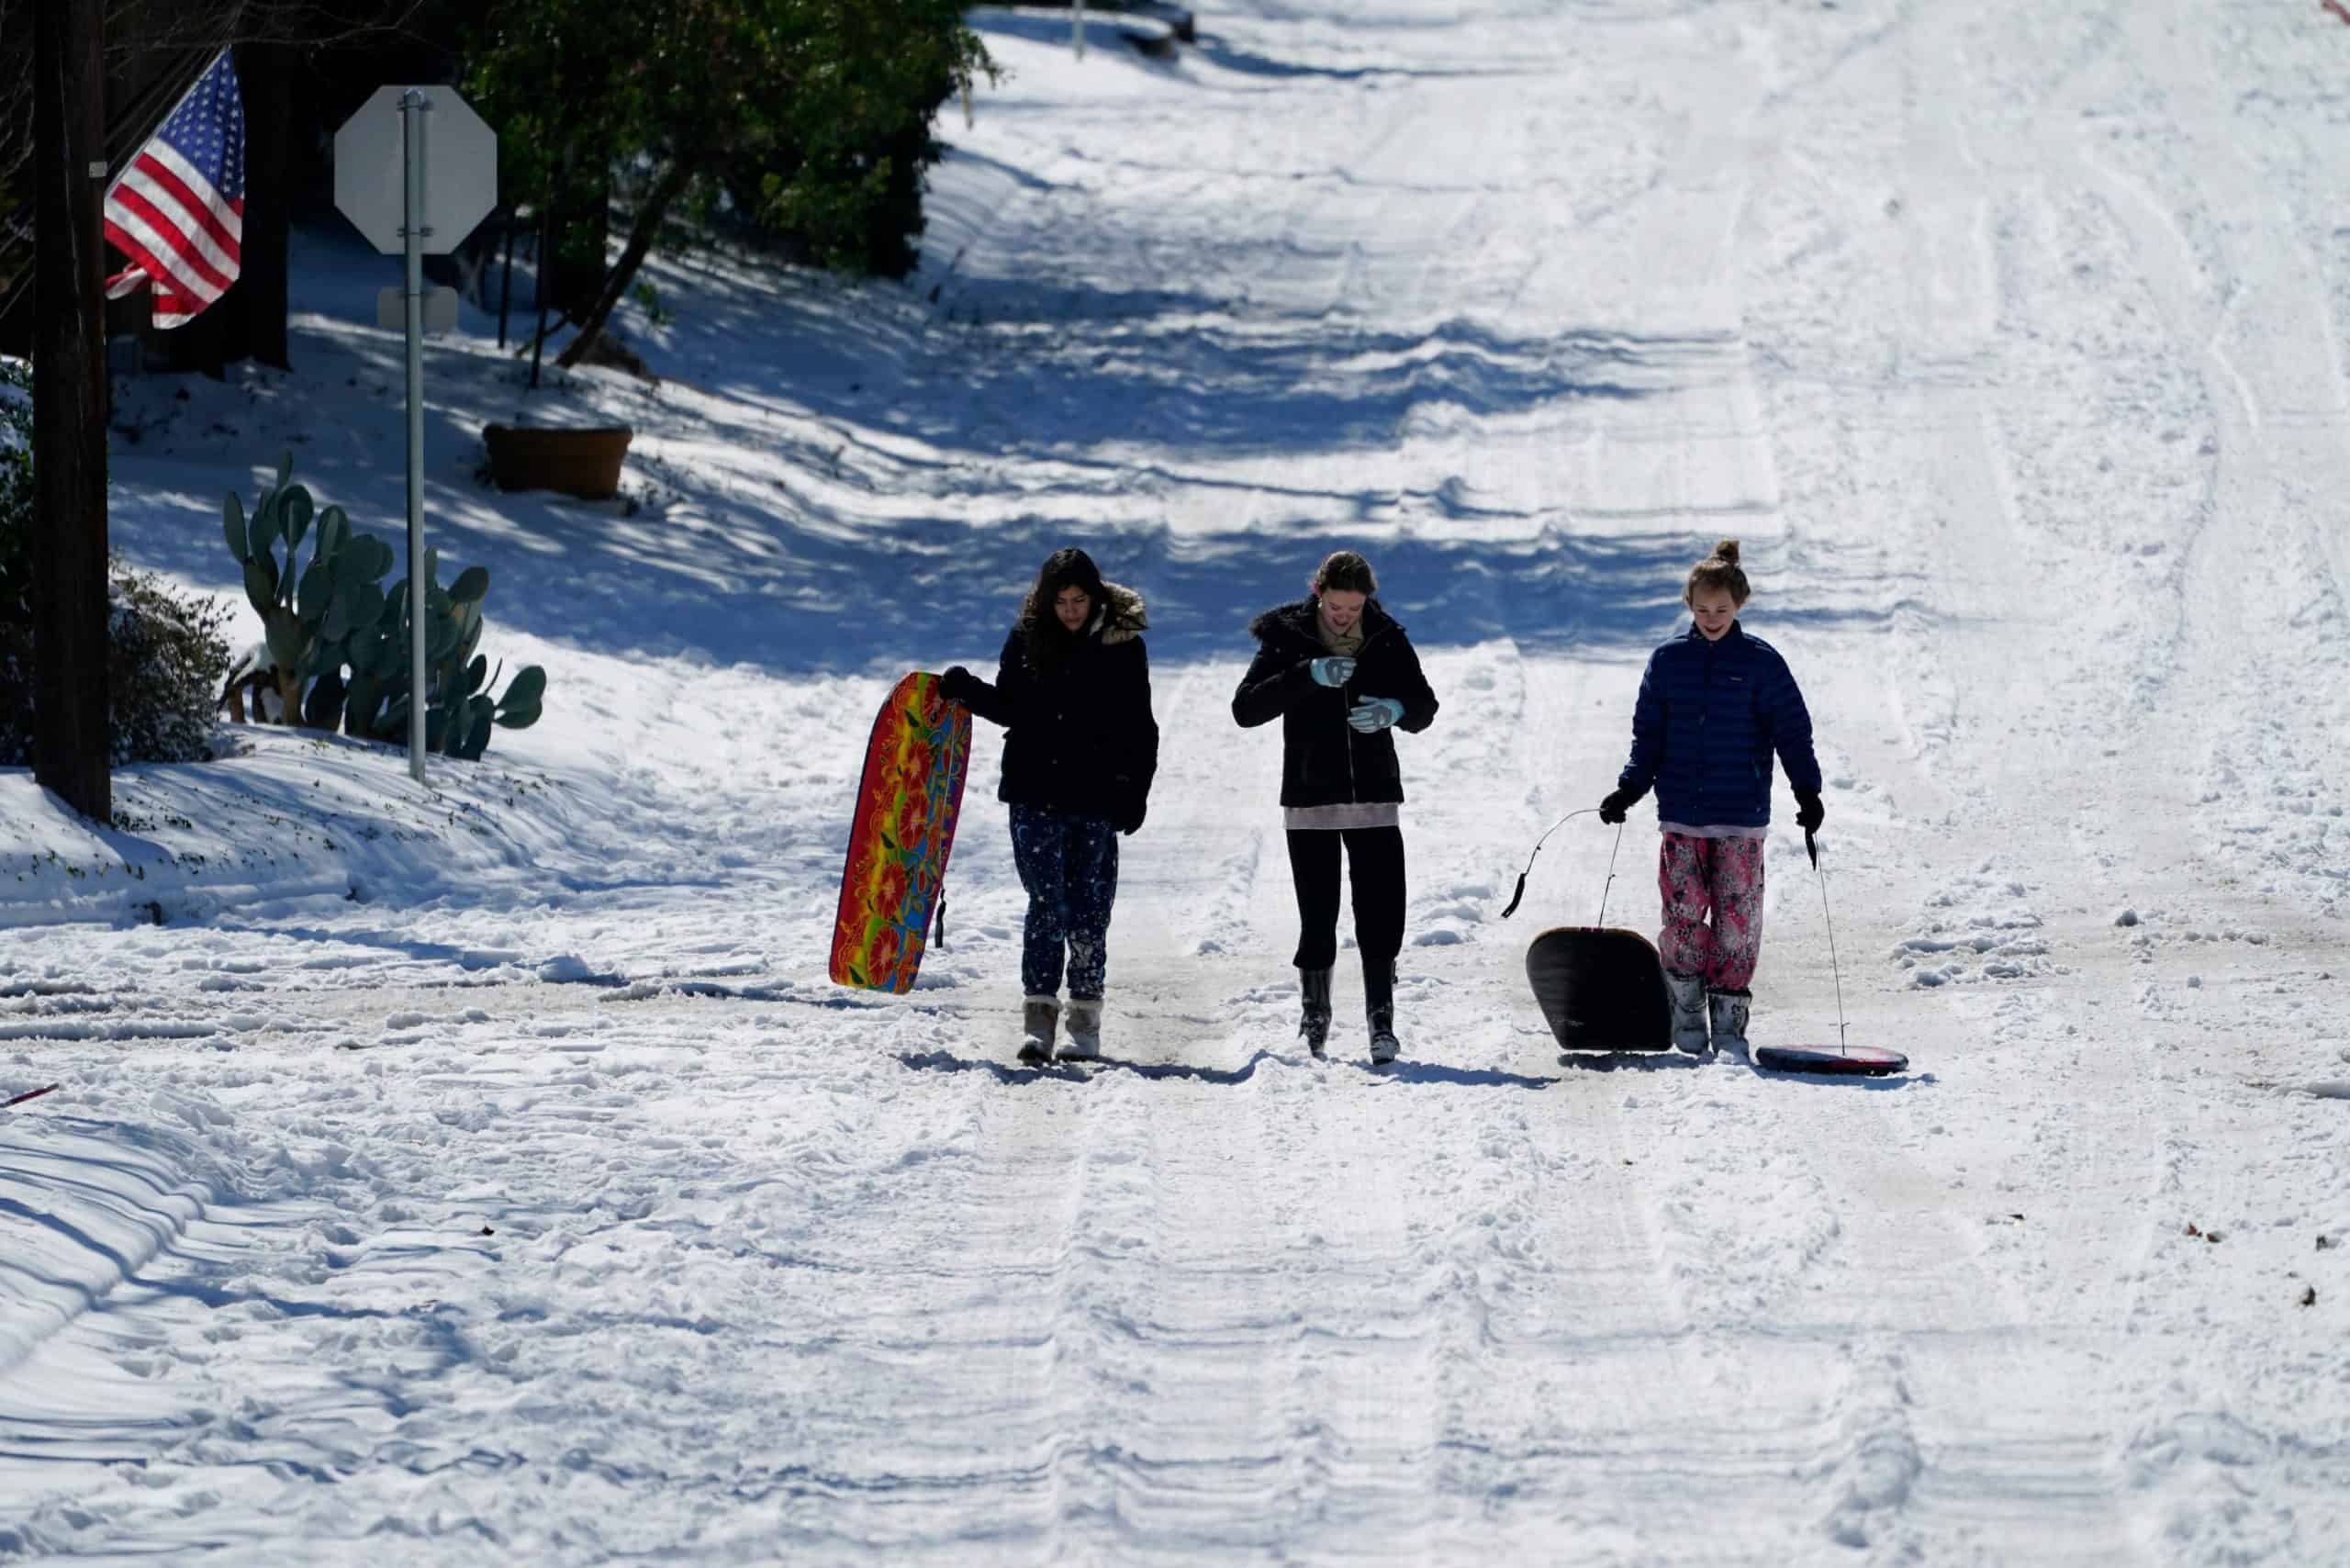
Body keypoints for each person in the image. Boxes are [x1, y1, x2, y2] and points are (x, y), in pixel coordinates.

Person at [1599, 539, 1823, 1058]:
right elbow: (1647, 737)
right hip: (1681, 817)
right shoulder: (1668, 661)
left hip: (1741, 819)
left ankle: (1728, 1020)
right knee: (1681, 917)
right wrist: (1630, 787)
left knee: (1737, 921)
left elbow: (1792, 732)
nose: (1712, 618)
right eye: (1702, 610)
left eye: (1721, 609)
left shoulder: (1763, 664)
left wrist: (1806, 790)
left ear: (1739, 605)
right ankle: (1684, 1005)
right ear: (1688, 607)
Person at [941, 548, 1158, 1064]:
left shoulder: (1123, 644)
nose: (1070, 610)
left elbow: (1140, 727)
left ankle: (1085, 1023)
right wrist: (966, 691)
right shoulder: (1026, 636)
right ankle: (1038, 1019)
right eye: (1060, 600)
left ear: (1095, 596)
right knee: (1046, 906)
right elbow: (1011, 706)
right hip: (1035, 792)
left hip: (1098, 797)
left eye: (1079, 600)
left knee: (1088, 913)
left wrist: (1135, 792)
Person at [1232, 550, 1439, 1063]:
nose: (1345, 617)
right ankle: (1315, 1015)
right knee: (1317, 913)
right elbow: (1246, 707)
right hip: (1310, 798)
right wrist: (1307, 674)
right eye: (1336, 607)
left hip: (1374, 798)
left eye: (1354, 608)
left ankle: (1381, 1020)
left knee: (1381, 912)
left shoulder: (1386, 636)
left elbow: (1424, 706)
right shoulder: (1287, 637)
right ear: (1318, 591)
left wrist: (1394, 711)